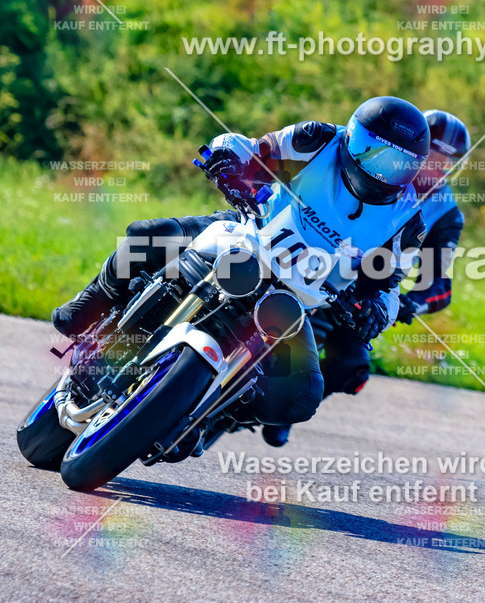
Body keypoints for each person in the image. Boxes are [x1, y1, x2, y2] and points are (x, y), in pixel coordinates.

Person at [50, 97, 429, 431]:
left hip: (296, 300)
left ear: (413, 169)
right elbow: (249, 148)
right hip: (247, 235)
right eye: (370, 151)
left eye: (396, 163)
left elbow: (388, 286)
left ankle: (213, 414)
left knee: (301, 397)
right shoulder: (316, 140)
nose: (379, 170)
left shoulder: (408, 223)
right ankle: (91, 302)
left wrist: (376, 310)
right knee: (148, 235)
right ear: (350, 137)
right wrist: (227, 158)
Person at [261, 109, 469, 447]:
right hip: (286, 243)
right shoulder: (356, 156)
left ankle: (283, 412)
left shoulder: (444, 213)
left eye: (449, 160)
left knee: (352, 367)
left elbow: (438, 282)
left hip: (356, 289)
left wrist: (407, 303)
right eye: (433, 152)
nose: (436, 164)